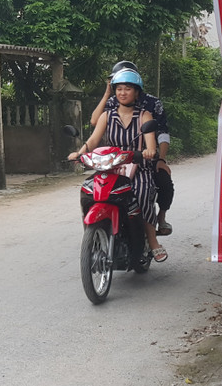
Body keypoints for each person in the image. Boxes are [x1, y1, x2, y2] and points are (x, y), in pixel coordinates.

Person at [69, 68, 167, 262]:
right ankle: (97, 232)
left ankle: (152, 240)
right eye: (119, 89)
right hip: (111, 166)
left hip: (138, 166)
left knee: (142, 194)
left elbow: (150, 144)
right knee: (91, 190)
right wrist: (79, 153)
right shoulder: (107, 116)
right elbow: (93, 140)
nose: (123, 93)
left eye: (128, 89)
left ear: (136, 92)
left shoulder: (145, 116)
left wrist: (149, 151)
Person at [90, 60, 175, 236]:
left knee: (163, 183)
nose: (122, 92)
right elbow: (95, 123)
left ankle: (160, 218)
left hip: (144, 156)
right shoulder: (112, 101)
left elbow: (162, 132)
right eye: (118, 85)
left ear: (136, 87)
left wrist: (160, 158)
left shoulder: (152, 104)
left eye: (127, 87)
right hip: (116, 159)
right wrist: (107, 94)